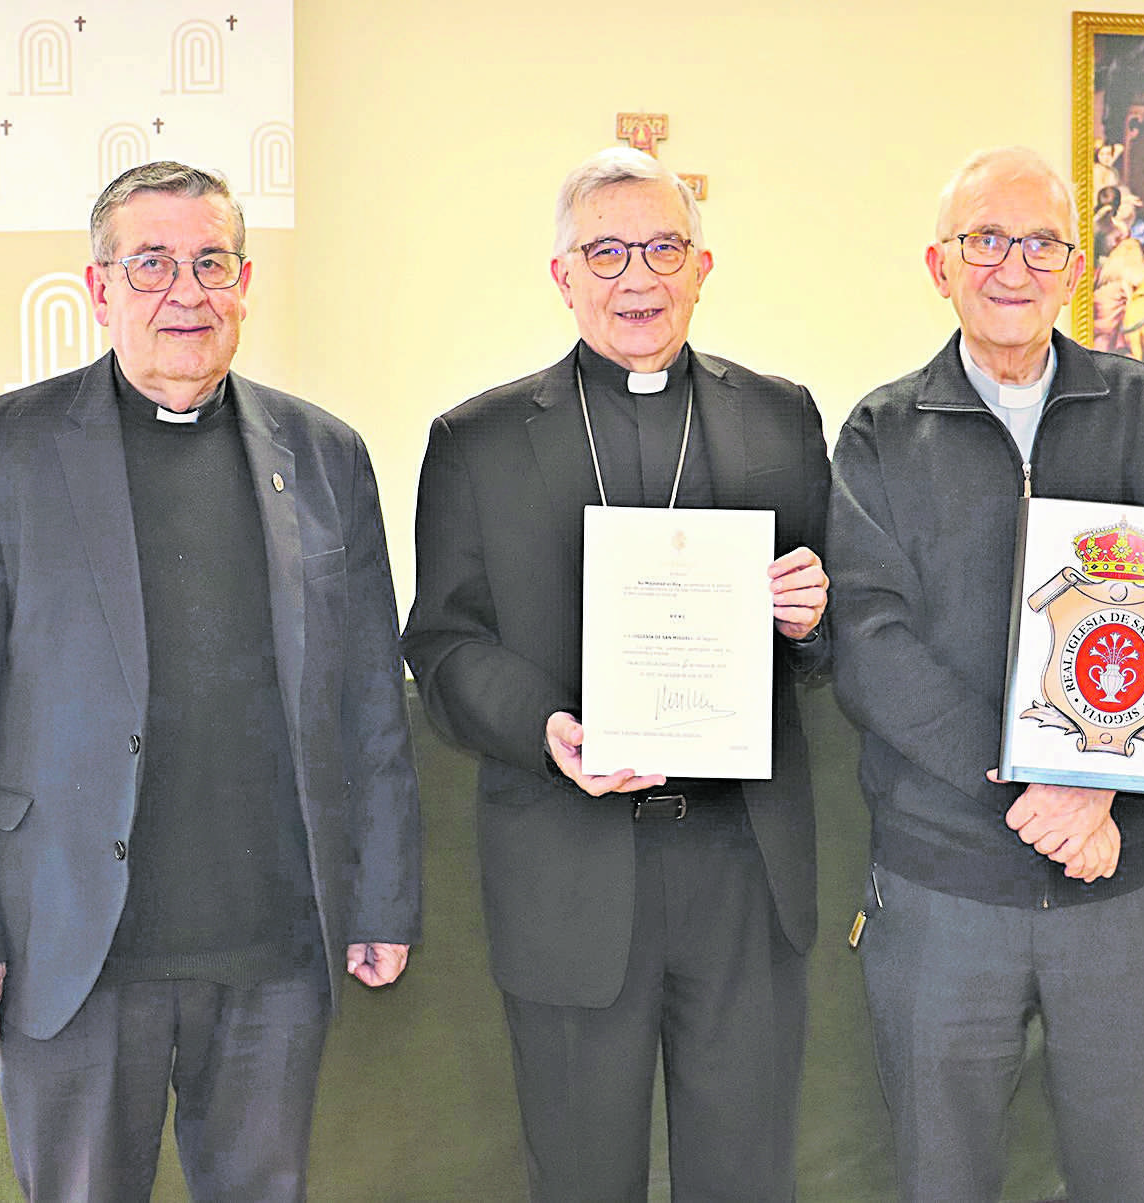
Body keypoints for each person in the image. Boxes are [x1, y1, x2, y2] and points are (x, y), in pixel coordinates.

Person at [0, 161, 422, 1200]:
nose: (187, 292)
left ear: (245, 279)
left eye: (212, 262)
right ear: (99, 288)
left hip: (272, 940)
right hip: (75, 944)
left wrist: (384, 898)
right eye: (153, 264)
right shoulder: (1, 450)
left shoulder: (325, 455)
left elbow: (370, 700)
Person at [401, 147, 830, 1202]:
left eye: (662, 249)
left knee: (747, 1174)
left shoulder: (781, 418)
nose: (636, 277)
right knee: (584, 1175)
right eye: (606, 251)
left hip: (743, 867)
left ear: (702, 265)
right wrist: (547, 728)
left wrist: (819, 613)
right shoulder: (478, 440)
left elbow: (829, 627)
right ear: (562, 273)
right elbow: (444, 644)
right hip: (570, 867)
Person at [828, 145, 1144, 1203]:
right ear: (938, 265)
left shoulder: (1139, 408)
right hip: (945, 883)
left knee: (1128, 1176)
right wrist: (1031, 779)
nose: (1013, 266)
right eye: (985, 239)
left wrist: (1097, 786)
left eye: (1042, 242)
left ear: (1077, 266)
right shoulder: (880, 431)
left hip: (1123, 878)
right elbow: (870, 640)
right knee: (941, 1178)